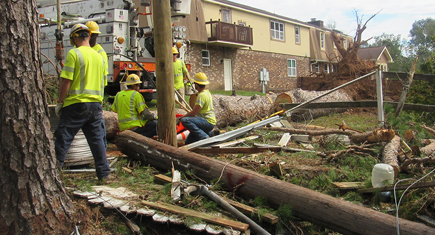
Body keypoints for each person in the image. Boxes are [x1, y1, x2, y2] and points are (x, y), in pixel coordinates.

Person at [54, 23, 110, 182]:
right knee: (97, 141)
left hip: (76, 104)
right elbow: (103, 82)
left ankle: (54, 174)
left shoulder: (74, 54)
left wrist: (60, 102)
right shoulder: (99, 56)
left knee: (63, 138)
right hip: (96, 106)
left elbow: (66, 81)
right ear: (89, 36)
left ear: (75, 38)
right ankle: (104, 174)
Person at [111, 74, 157, 138]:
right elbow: (145, 113)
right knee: (155, 125)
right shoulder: (136, 95)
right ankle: (140, 139)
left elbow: (114, 110)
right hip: (134, 127)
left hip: (122, 128)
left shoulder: (118, 94)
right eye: (138, 85)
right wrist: (153, 117)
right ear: (134, 85)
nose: (139, 87)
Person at [86, 20, 109, 148]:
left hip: (94, 98)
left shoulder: (100, 53)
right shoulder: (77, 50)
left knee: (98, 131)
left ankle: (103, 151)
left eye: (92, 35)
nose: (90, 37)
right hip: (79, 99)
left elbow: (103, 80)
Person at [179, 72, 217, 144]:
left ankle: (204, 136)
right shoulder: (207, 93)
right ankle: (210, 134)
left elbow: (193, 113)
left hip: (207, 122)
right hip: (209, 122)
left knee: (185, 120)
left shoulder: (201, 96)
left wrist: (181, 118)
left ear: (196, 85)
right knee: (188, 143)